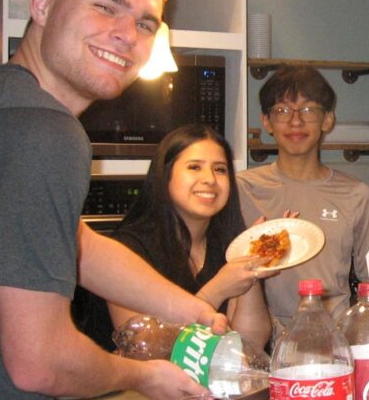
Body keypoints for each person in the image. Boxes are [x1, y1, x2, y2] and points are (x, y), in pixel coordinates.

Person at [0, 0, 226, 400]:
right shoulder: (43, 131)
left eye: (145, 23)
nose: (126, 35)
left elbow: (76, 244)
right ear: (43, 2)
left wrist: (193, 312)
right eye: (104, 7)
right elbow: (41, 362)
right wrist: (144, 375)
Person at [74, 124, 275, 352]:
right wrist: (218, 288)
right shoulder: (129, 249)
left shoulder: (225, 244)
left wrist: (249, 259)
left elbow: (251, 345)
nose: (209, 179)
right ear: (165, 174)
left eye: (220, 169)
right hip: (127, 387)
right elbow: (141, 347)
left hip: (205, 384)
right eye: (194, 167)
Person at [237, 66, 369, 333]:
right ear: (266, 122)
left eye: (308, 110)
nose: (295, 122)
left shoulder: (357, 196)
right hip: (263, 342)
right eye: (282, 110)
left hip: (336, 340)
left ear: (327, 120)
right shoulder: (242, 189)